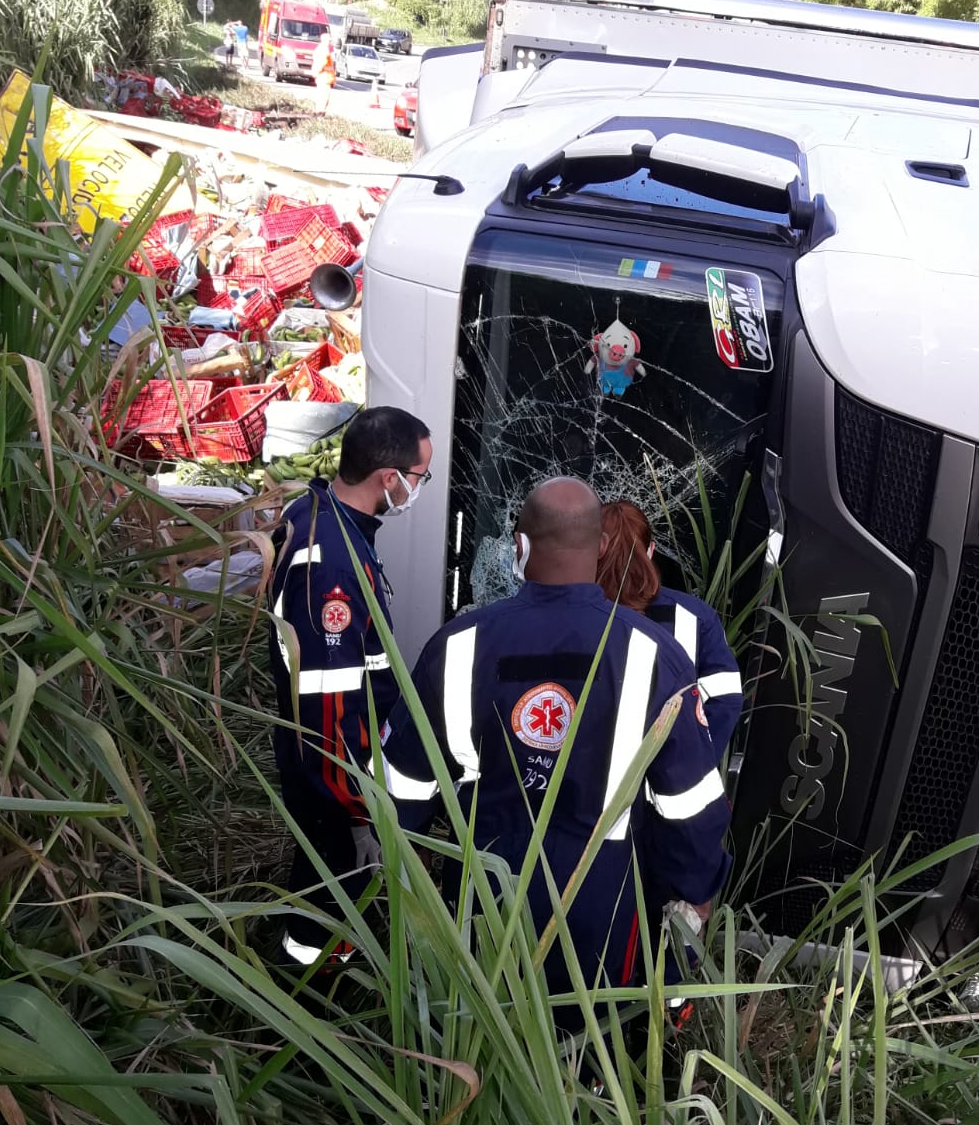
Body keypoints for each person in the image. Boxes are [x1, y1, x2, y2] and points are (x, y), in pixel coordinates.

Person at [380, 478, 731, 1008]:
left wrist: (402, 877)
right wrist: (695, 888)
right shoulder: (654, 655)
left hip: (482, 888)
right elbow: (691, 805)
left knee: (477, 1021)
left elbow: (401, 787)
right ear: (602, 548)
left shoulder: (456, 645)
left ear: (519, 548)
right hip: (602, 901)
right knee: (588, 1040)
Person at [268, 406, 433, 967]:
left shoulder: (320, 512)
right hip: (331, 777)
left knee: (324, 874)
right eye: (419, 478)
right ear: (389, 479)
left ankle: (315, 961)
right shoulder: (332, 567)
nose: (417, 490)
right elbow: (328, 705)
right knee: (329, 885)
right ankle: (310, 992)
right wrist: (360, 802)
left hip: (325, 769)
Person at [597, 500, 744, 752]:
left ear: (590, 551)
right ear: (651, 551)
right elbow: (725, 700)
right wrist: (692, 763)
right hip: (670, 777)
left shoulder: (571, 614)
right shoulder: (695, 617)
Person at [312, 37, 337, 115]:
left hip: (324, 77)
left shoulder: (321, 49)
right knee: (324, 96)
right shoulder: (324, 49)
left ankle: (318, 111)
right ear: (325, 40)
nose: (330, 42)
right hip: (324, 77)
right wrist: (316, 71)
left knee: (321, 95)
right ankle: (320, 112)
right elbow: (322, 62)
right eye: (329, 40)